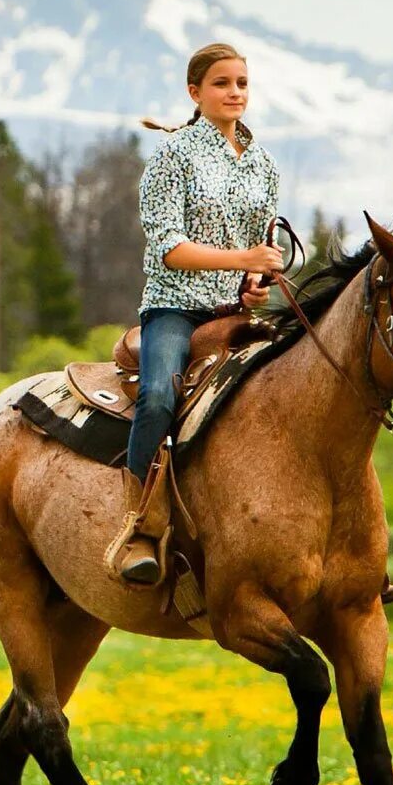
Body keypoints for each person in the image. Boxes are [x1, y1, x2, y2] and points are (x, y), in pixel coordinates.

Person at [107, 42, 284, 587]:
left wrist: (257, 281)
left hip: (236, 310)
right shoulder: (171, 156)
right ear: (195, 93)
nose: (235, 93)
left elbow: (261, 245)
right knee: (159, 393)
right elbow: (168, 248)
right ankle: (137, 524)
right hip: (176, 308)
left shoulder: (264, 164)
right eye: (223, 84)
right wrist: (244, 260)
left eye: (243, 84)